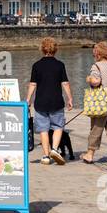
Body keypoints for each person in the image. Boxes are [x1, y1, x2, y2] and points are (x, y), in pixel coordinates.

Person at [26, 37, 73, 166]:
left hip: (40, 102)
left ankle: (46, 156)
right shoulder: (60, 65)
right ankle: (54, 149)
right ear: (55, 50)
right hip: (56, 102)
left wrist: (28, 100)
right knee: (58, 126)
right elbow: (65, 83)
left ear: (42, 49)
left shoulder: (36, 65)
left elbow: (33, 84)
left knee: (43, 129)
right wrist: (70, 98)